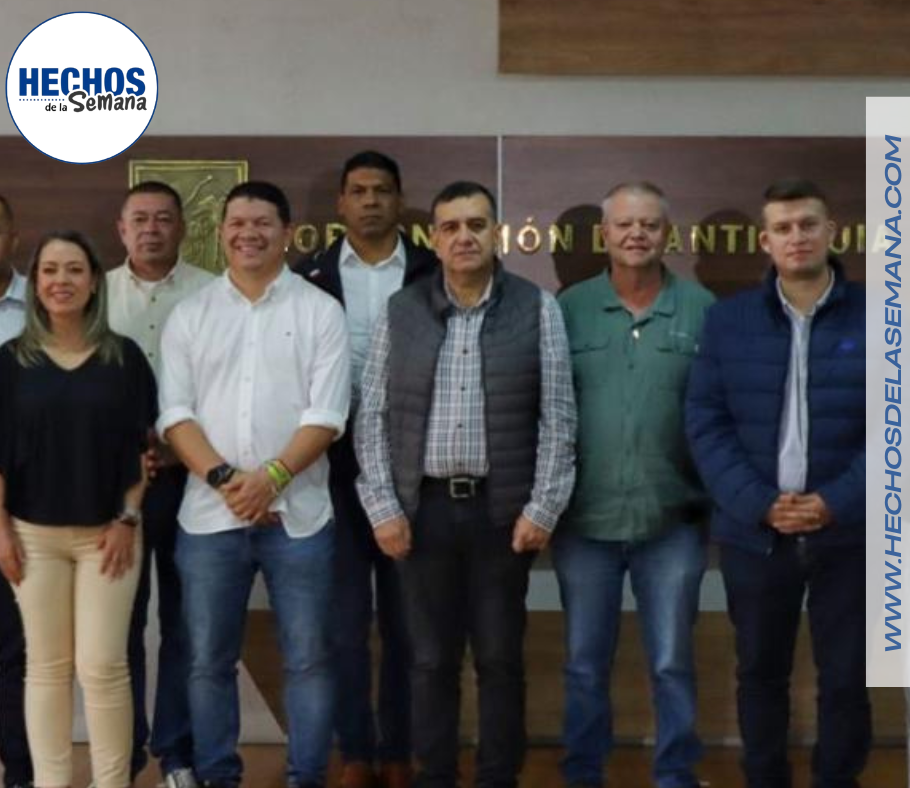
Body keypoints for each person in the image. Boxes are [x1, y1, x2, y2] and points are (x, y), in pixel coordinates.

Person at [355, 181, 576, 788]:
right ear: (433, 239)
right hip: (422, 512)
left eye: (476, 225)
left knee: (500, 659)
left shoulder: (536, 308)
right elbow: (372, 416)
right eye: (451, 227)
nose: (464, 237)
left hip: (501, 513)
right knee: (430, 661)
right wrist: (382, 507)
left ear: (496, 233)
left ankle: (498, 777)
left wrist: (543, 507)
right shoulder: (402, 311)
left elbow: (559, 416)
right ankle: (435, 776)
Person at [158, 181, 351, 788]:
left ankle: (305, 777)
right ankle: (219, 776)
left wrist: (270, 479)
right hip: (208, 519)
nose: (249, 233)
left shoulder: (320, 311)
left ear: (287, 233)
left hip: (300, 518)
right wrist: (228, 482)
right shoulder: (191, 314)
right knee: (206, 662)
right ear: (221, 234)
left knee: (310, 660)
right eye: (237, 223)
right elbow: (175, 415)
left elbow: (328, 415)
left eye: (263, 222)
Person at [685, 179, 869, 788]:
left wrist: (836, 501)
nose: (797, 237)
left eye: (808, 225)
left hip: (850, 534)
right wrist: (760, 503)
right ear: (765, 242)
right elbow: (705, 422)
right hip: (756, 534)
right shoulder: (727, 321)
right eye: (783, 228)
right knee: (760, 674)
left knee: (846, 678)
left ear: (831, 232)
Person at [0, 230, 157, 788]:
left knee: (103, 666)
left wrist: (127, 518)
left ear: (94, 282)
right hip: (32, 536)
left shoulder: (124, 357)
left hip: (109, 534)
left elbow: (144, 451)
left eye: (75, 269)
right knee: (46, 668)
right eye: (51, 270)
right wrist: (0, 529)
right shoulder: (12, 361)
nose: (62, 280)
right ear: (36, 283)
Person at [555, 182, 713, 788]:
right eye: (624, 224)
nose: (636, 234)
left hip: (672, 520)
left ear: (667, 234)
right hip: (584, 521)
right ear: (605, 235)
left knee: (672, 663)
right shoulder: (569, 308)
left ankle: (675, 773)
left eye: (649, 224)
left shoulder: (701, 309)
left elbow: (718, 414)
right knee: (583, 663)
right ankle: (583, 773)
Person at [294, 150, 436, 788]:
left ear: (399, 200)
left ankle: (399, 749)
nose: (371, 200)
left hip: (415, 467)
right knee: (345, 626)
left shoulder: (433, 271)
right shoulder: (309, 276)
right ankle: (355, 750)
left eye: (382, 190)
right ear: (341, 203)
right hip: (331, 464)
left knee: (408, 626)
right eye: (359, 190)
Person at [109, 180, 214, 788]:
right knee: (119, 621)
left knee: (185, 622)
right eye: (140, 219)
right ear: (122, 229)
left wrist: (182, 449)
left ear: (182, 228)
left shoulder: (212, 293)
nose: (151, 229)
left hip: (190, 480)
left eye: (163, 219)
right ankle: (120, 755)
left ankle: (177, 754)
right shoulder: (95, 293)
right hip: (115, 486)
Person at [0, 190, 33, 788]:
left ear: (13, 238)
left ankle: (21, 774)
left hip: (24, 505)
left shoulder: (42, 309)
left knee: (21, 652)